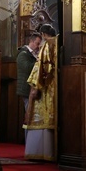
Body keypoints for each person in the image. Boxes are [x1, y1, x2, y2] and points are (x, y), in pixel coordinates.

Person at [25, 23, 58, 161]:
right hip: (55, 86)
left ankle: (40, 152)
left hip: (45, 87)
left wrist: (34, 86)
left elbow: (41, 67)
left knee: (40, 117)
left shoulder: (47, 45)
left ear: (44, 35)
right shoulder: (58, 43)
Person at [16, 31, 42, 131]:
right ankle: (28, 141)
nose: (38, 46)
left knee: (32, 115)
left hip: (32, 89)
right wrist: (39, 61)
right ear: (31, 41)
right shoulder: (23, 54)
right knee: (29, 114)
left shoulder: (32, 55)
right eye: (37, 43)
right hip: (26, 89)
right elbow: (27, 68)